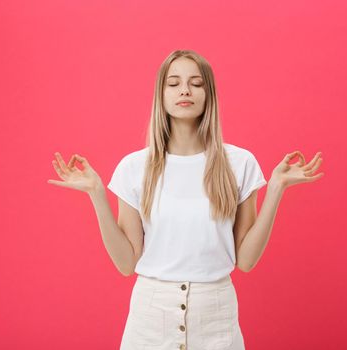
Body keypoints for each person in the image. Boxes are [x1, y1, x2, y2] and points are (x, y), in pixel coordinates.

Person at [47, 49, 324, 350]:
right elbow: (127, 263)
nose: (185, 90)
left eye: (196, 83)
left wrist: (276, 189)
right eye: (174, 82)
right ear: (161, 94)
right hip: (150, 320)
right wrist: (97, 195)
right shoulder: (133, 168)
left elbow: (245, 260)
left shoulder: (239, 163)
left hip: (216, 316)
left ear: (208, 94)